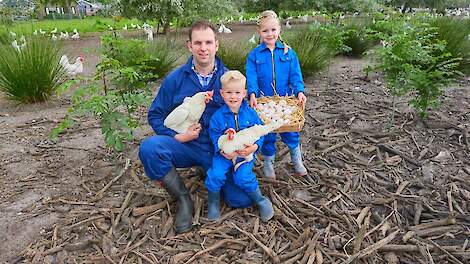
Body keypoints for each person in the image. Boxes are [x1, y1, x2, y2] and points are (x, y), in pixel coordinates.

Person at [139, 21, 252, 234]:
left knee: (241, 199)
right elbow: (155, 115)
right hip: (187, 145)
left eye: (208, 42)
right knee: (150, 149)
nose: (203, 48)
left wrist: (246, 146)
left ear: (216, 45)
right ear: (189, 46)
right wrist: (176, 136)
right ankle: (183, 200)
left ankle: (206, 168)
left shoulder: (230, 79)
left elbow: (246, 119)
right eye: (198, 43)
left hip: (219, 151)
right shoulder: (175, 79)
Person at [205, 70, 274, 222]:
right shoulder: (217, 117)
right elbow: (214, 135)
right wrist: (221, 149)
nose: (233, 96)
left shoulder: (250, 114)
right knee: (215, 175)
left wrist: (255, 147)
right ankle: (213, 203)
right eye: (229, 92)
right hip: (224, 155)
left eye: (237, 92)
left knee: (243, 177)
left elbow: (260, 131)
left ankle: (260, 200)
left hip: (244, 154)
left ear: (244, 93)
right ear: (222, 93)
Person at [246, 10, 308, 179]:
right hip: (264, 102)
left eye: (273, 30)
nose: (270, 34)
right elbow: (251, 77)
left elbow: (296, 75)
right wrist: (252, 93)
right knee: (267, 134)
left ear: (279, 29)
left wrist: (299, 91)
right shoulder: (254, 55)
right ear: (259, 32)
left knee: (291, 132)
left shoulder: (288, 53)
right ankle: (268, 163)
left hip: (285, 102)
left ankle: (296, 158)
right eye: (265, 31)